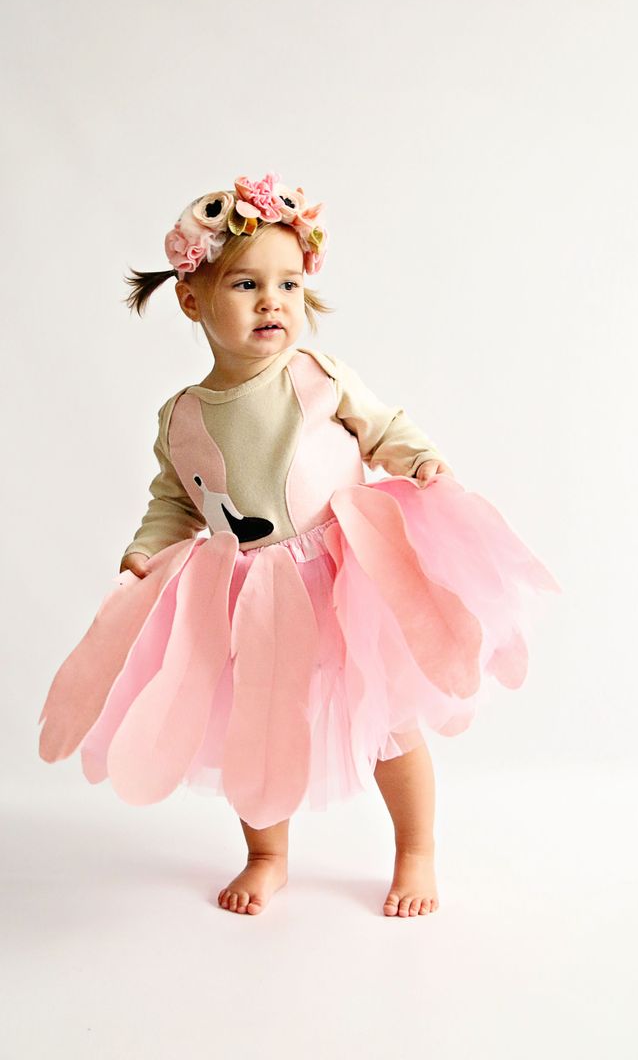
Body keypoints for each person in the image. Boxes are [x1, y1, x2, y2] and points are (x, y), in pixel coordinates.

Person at [38, 170, 561, 919]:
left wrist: (418, 459)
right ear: (192, 299)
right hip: (255, 594)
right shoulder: (181, 416)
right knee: (260, 718)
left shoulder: (316, 376)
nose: (272, 302)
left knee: (386, 719)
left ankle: (415, 849)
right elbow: (173, 502)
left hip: (348, 575)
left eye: (287, 285)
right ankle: (266, 853)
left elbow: (383, 427)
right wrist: (143, 552)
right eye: (246, 285)